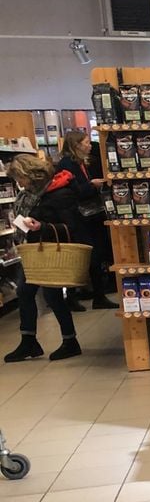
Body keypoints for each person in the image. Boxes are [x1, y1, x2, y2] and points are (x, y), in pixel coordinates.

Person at [4, 155, 86, 362]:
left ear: (28, 175)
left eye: (19, 178)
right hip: (33, 251)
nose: (18, 184)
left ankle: (70, 341)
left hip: (51, 252)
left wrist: (43, 227)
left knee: (53, 295)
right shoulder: (30, 195)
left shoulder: (59, 193)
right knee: (24, 291)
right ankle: (28, 341)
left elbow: (73, 227)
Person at [57, 130, 118, 309]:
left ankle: (98, 296)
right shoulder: (67, 165)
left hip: (91, 215)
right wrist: (92, 185)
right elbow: (72, 192)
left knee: (96, 255)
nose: (89, 145)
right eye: (85, 142)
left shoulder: (83, 162)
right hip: (79, 218)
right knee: (84, 257)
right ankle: (73, 295)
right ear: (76, 145)